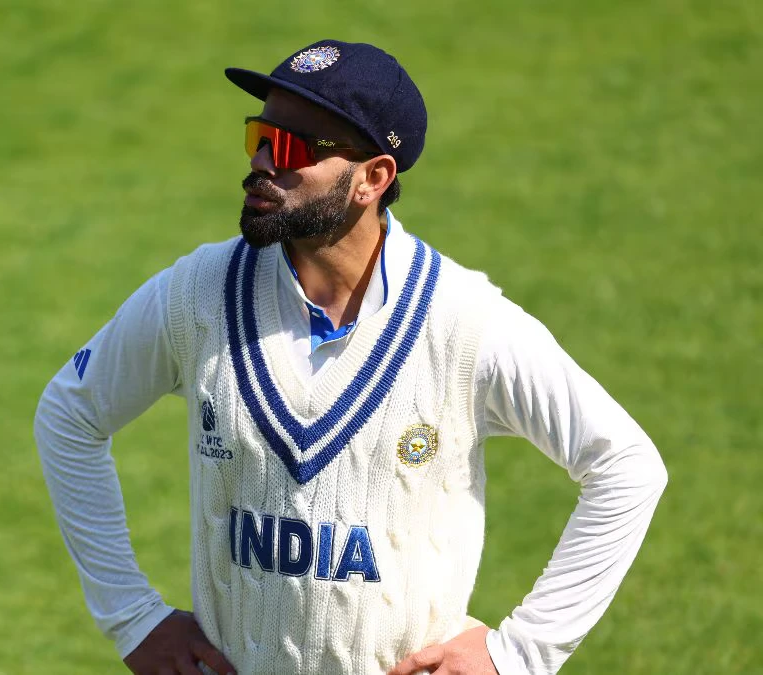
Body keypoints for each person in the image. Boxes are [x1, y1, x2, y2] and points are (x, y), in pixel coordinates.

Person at [34, 40, 667, 675]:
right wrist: (133, 617)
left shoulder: (464, 321)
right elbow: (70, 414)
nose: (261, 161)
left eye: (293, 147)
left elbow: (626, 466)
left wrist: (520, 653)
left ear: (373, 178)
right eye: (259, 135)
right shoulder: (195, 294)